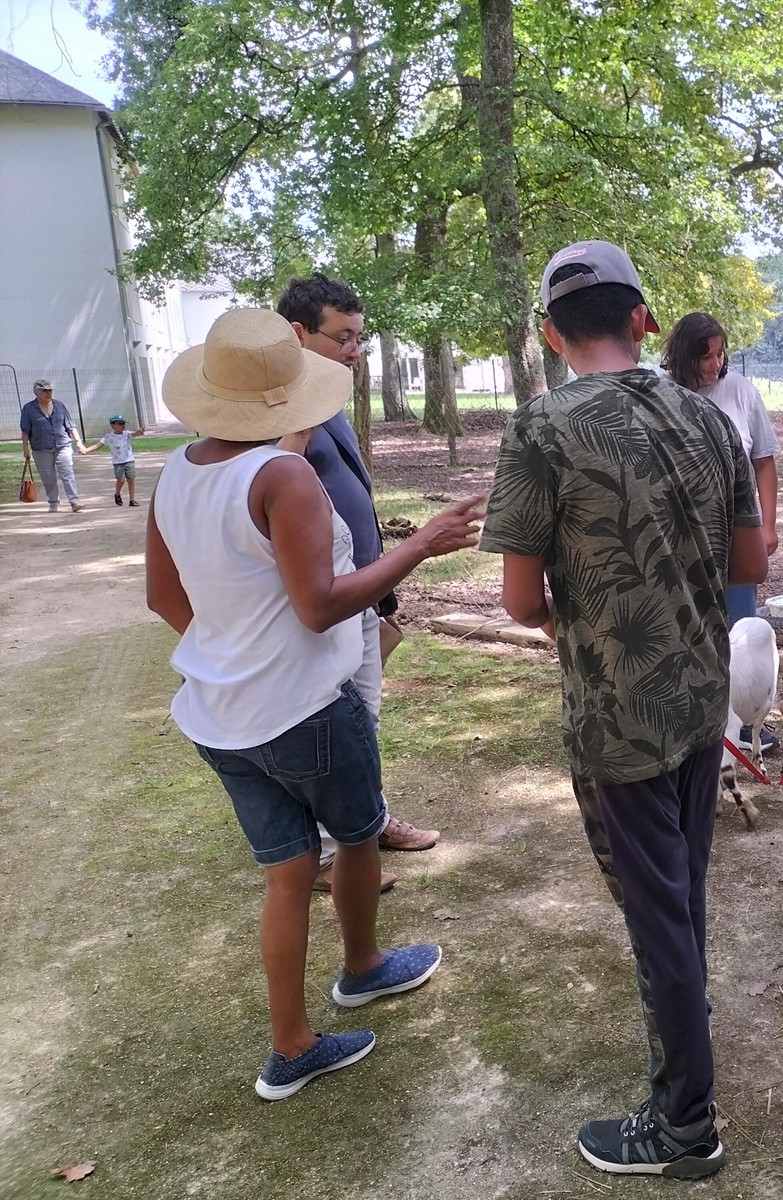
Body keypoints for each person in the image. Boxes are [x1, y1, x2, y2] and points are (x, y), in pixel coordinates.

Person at [144, 308, 486, 1098]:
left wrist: (234, 645)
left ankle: (291, 1045)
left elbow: (164, 596)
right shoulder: (283, 476)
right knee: (359, 833)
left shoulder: (180, 472)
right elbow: (321, 605)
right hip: (305, 708)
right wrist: (417, 546)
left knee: (287, 874)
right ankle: (363, 967)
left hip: (220, 716)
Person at [480, 241, 765, 1179]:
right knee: (680, 891)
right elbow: (750, 571)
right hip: (697, 696)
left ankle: (685, 1124)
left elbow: (521, 603)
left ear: (551, 334)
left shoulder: (541, 429)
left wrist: (589, 619)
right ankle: (687, 1029)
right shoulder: (710, 417)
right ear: (643, 319)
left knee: (655, 911)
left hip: (618, 717)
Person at [275, 274, 438, 885]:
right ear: (298, 333)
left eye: (360, 339)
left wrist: (382, 589)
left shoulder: (331, 396)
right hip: (320, 600)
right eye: (342, 337)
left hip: (362, 593)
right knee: (326, 724)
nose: (354, 350)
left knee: (364, 716)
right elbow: (266, 493)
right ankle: (321, 851)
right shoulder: (270, 404)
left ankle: (369, 824)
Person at [661, 312, 780, 753]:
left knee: (739, 632)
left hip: (735, 536)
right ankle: (688, 723)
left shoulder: (741, 392)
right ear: (681, 356)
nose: (714, 364)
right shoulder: (660, 390)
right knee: (683, 627)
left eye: (719, 353)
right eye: (704, 356)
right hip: (677, 539)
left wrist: (766, 525)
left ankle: (745, 726)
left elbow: (764, 460)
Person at [20, 379, 89, 512]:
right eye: (44, 391)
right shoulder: (28, 409)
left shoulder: (59, 405)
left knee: (67, 473)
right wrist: (25, 448)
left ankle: (74, 502)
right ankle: (53, 502)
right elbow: (25, 430)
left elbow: (70, 426)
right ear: (36, 392)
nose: (48, 393)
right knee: (48, 477)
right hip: (41, 448)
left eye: (50, 390)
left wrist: (79, 442)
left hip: (63, 445)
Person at [79, 414, 147, 506]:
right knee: (121, 480)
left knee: (131, 479)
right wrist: (86, 450)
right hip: (118, 462)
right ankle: (117, 494)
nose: (123, 425)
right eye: (120, 423)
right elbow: (97, 445)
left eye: (123, 423)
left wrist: (139, 432)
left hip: (129, 460)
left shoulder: (127, 434)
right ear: (112, 425)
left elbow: (135, 434)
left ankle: (132, 500)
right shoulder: (108, 437)